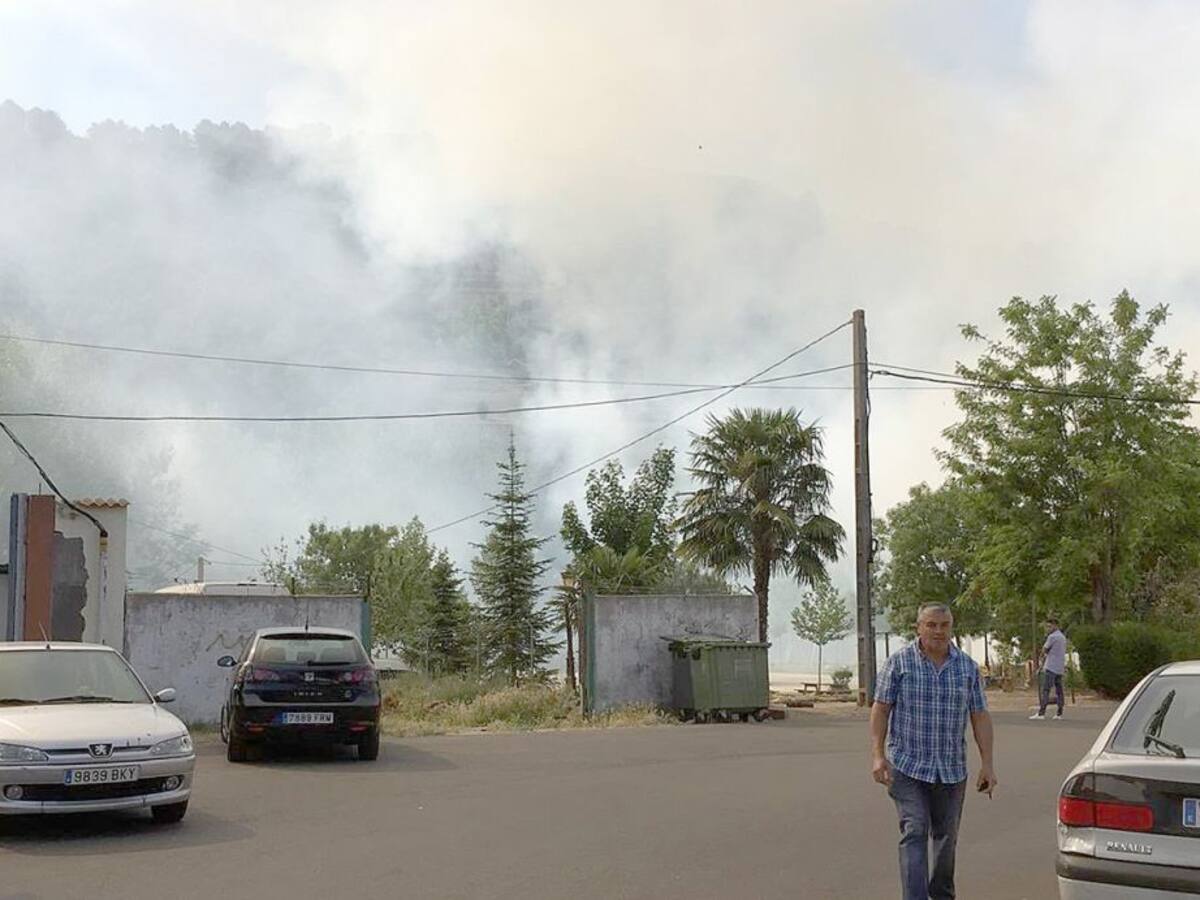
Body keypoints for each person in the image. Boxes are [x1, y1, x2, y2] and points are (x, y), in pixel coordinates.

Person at [870, 603, 997, 900]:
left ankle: (941, 895)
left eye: (944, 625)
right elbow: (881, 709)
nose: (938, 631)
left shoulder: (966, 668)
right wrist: (877, 754)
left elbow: (979, 716)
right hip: (908, 767)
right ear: (919, 628)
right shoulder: (898, 664)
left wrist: (987, 764)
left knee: (946, 840)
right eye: (931, 625)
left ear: (951, 628)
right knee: (914, 831)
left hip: (951, 770)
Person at [1031, 617, 1067, 720]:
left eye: (1049, 626)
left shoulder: (1052, 637)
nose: (1048, 628)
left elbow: (1044, 650)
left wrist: (1040, 662)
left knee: (1046, 690)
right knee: (1059, 691)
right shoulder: (1062, 637)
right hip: (1060, 667)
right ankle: (1059, 713)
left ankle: (1041, 713)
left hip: (1051, 666)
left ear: (1055, 625)